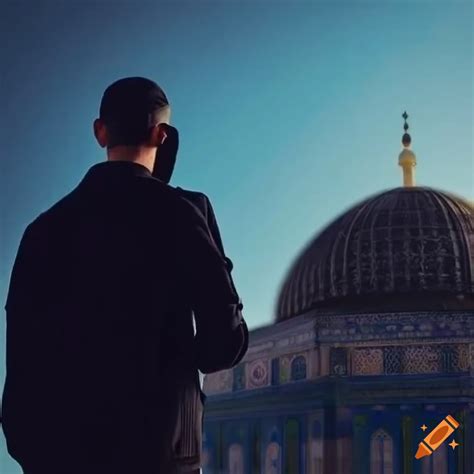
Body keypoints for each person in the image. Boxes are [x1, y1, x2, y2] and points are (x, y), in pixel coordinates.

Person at [1, 76, 249, 474]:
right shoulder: (181, 214)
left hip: (59, 457)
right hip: (158, 455)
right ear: (162, 135)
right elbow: (222, 345)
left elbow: (22, 358)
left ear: (100, 132)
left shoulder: (43, 230)